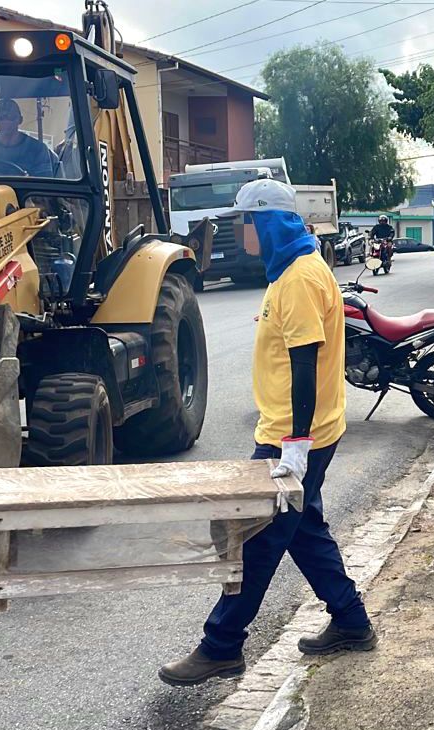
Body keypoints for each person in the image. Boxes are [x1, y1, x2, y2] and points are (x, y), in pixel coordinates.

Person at [159, 180, 374, 686]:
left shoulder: (299, 278)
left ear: (267, 223)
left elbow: (304, 363)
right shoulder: (292, 269)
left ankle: (221, 645)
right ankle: (351, 620)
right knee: (302, 531)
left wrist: (296, 444)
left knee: (255, 542)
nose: (241, 233)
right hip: (296, 432)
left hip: (293, 438)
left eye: (245, 223)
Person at [0, 98, 57, 178]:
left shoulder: (37, 149)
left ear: (20, 120)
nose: (6, 121)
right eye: (1, 117)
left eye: (11, 117)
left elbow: (42, 187)